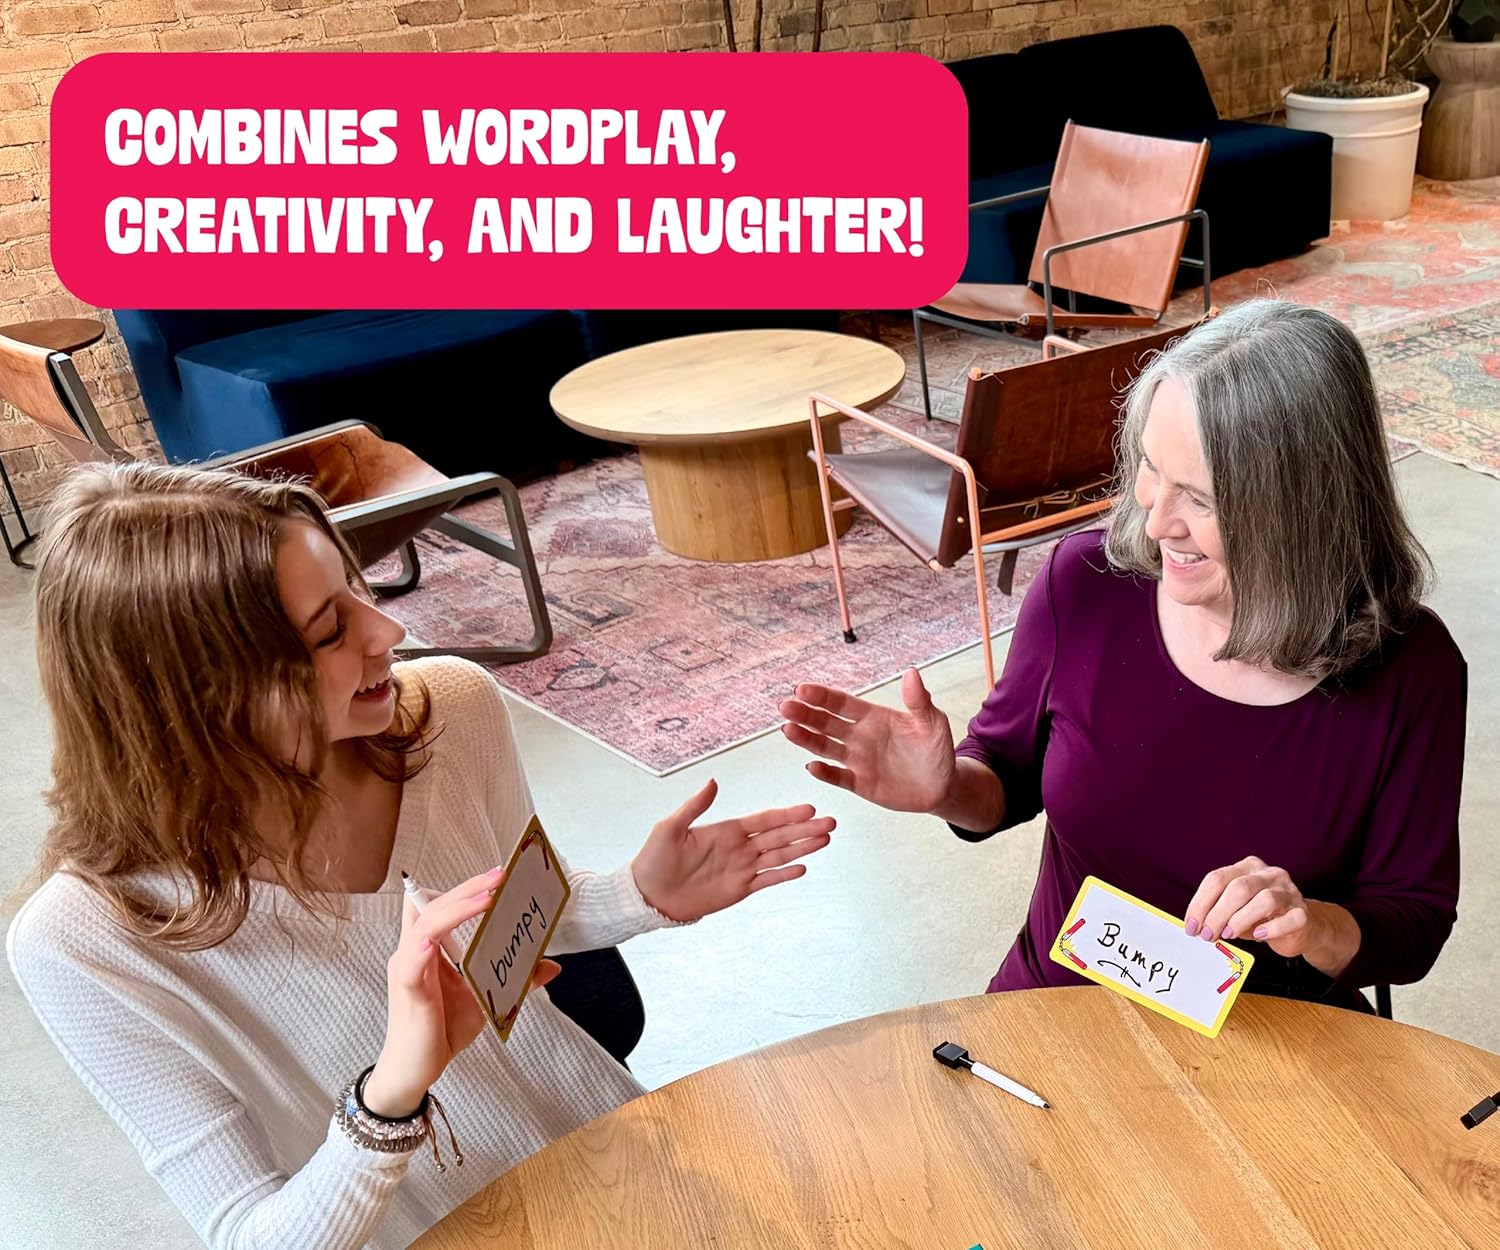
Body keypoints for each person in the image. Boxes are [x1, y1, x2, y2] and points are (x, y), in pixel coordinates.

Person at [5, 458, 835, 1250]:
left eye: (355, 588)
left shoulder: (450, 709)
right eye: (331, 631)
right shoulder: (86, 942)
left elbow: (516, 924)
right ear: (197, 695)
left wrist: (636, 896)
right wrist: (392, 1092)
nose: (387, 629)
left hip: (624, 1163)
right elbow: (248, 1235)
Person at [780, 299, 1466, 1014]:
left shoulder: (1413, 670)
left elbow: (1412, 925)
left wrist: (1312, 922)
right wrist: (948, 784)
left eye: (1201, 498)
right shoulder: (1084, 584)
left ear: (1304, 508)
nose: (1155, 518)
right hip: (1060, 1010)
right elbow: (1006, 778)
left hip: (1274, 1047)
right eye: (1150, 466)